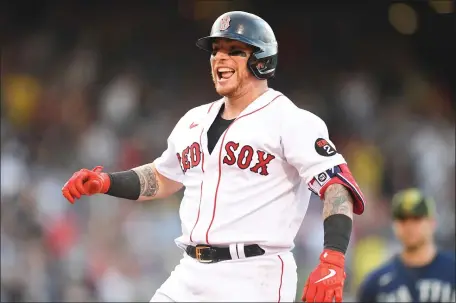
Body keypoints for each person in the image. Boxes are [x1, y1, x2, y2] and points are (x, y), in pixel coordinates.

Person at [62, 11, 366, 302]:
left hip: (254, 275)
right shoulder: (194, 120)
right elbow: (161, 177)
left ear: (261, 60)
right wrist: (104, 182)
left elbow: (337, 187)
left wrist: (334, 257)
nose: (220, 57)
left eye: (234, 50)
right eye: (216, 50)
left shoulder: (291, 121)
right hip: (190, 271)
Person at [357, 188, 455, 302]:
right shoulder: (376, 284)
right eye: (403, 219)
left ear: (432, 222)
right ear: (394, 225)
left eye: (416, 219)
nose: (410, 226)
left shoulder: (453, 269)